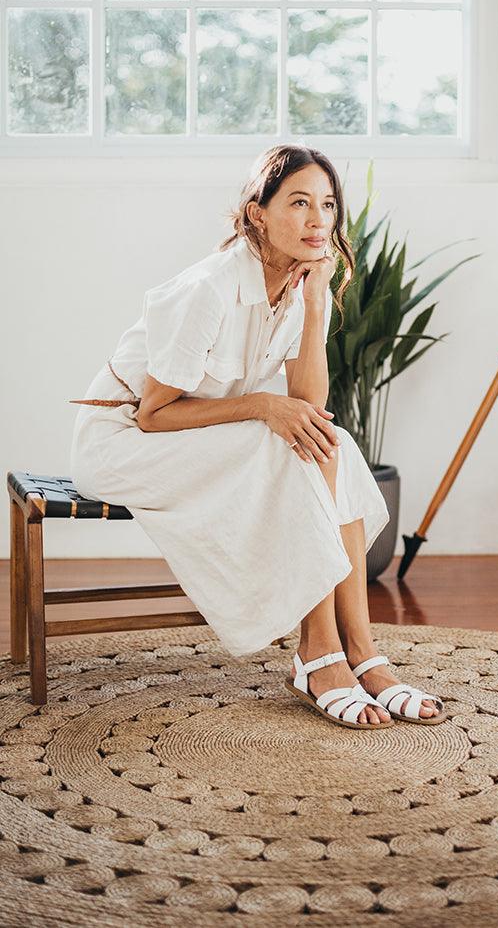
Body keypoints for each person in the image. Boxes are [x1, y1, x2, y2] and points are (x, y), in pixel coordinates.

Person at [69, 144, 445, 729]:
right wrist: (264, 406)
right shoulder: (209, 289)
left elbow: (310, 404)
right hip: (125, 443)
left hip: (199, 436)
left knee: (332, 442)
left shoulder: (294, 285)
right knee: (288, 443)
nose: (319, 219)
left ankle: (363, 652)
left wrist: (317, 300)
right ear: (257, 213)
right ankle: (318, 654)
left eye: (327, 205)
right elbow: (152, 414)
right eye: (299, 203)